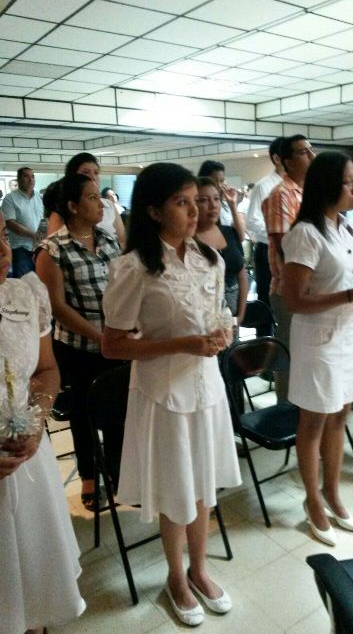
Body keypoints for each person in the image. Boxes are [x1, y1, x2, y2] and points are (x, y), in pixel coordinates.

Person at [101, 163, 241, 627]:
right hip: (164, 394)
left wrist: (221, 335)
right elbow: (113, 345)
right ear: (154, 211)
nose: (195, 211)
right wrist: (184, 344)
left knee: (203, 485)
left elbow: (215, 317)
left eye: (197, 201)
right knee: (177, 489)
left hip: (207, 388)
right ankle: (175, 577)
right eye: (182, 203)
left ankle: (199, 569)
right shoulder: (134, 268)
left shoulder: (211, 259)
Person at [282, 151, 353, 546]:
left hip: (348, 332)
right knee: (314, 421)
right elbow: (294, 300)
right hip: (318, 337)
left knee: (340, 414)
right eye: (348, 181)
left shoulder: (348, 227)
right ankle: (312, 500)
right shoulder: (306, 233)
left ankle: (333, 492)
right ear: (326, 185)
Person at [0, 211, 85, 634]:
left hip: (28, 459)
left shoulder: (25, 295)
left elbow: (46, 370)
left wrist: (36, 421)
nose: (2, 250)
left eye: (2, 234)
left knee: (33, 581)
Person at [36, 174, 122, 510]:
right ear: (73, 206)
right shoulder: (52, 250)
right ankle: (89, 478)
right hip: (78, 349)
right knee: (84, 416)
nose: (101, 204)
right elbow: (57, 306)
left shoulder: (108, 240)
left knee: (115, 413)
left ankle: (117, 473)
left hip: (114, 344)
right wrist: (100, 336)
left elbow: (123, 286)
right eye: (92, 198)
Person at [262, 134, 315, 402]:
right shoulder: (281, 195)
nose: (312, 156)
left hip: (313, 289)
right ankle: (286, 412)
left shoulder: (311, 193)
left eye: (311, 150)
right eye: (304, 152)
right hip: (290, 290)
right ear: (286, 161)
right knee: (291, 358)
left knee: (309, 358)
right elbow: (285, 245)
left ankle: (305, 411)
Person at [195, 177, 248, 325]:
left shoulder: (229, 232)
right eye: (203, 200)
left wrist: (240, 315)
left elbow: (242, 276)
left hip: (232, 317)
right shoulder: (188, 240)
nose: (213, 205)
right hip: (202, 320)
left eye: (217, 199)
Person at [246, 137, 284, 333]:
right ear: (277, 158)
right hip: (268, 250)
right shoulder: (264, 186)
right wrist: (279, 234)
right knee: (267, 302)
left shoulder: (300, 186)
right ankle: (264, 345)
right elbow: (252, 220)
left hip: (291, 252)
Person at [47, 152, 125, 247]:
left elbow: (122, 240)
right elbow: (54, 244)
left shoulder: (108, 205)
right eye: (85, 172)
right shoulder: (63, 207)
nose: (93, 177)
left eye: (96, 173)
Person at [1, 167, 44, 277]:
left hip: (40, 247)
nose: (30, 179)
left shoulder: (40, 198)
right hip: (21, 249)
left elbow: (45, 219)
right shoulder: (10, 199)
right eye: (26, 176)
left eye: (32, 176)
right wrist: (33, 235)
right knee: (23, 281)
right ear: (18, 179)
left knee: (41, 281)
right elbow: (10, 223)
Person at [197, 160, 245, 241]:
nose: (219, 185)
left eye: (222, 181)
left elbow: (240, 237)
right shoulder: (199, 206)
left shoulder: (225, 205)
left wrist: (233, 206)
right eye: (214, 181)